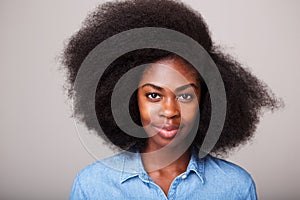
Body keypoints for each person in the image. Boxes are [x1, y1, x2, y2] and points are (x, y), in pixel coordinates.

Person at [61, 0, 281, 199]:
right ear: (130, 99)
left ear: (205, 100)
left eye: (185, 96)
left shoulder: (235, 187)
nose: (170, 111)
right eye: (154, 95)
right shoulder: (93, 187)